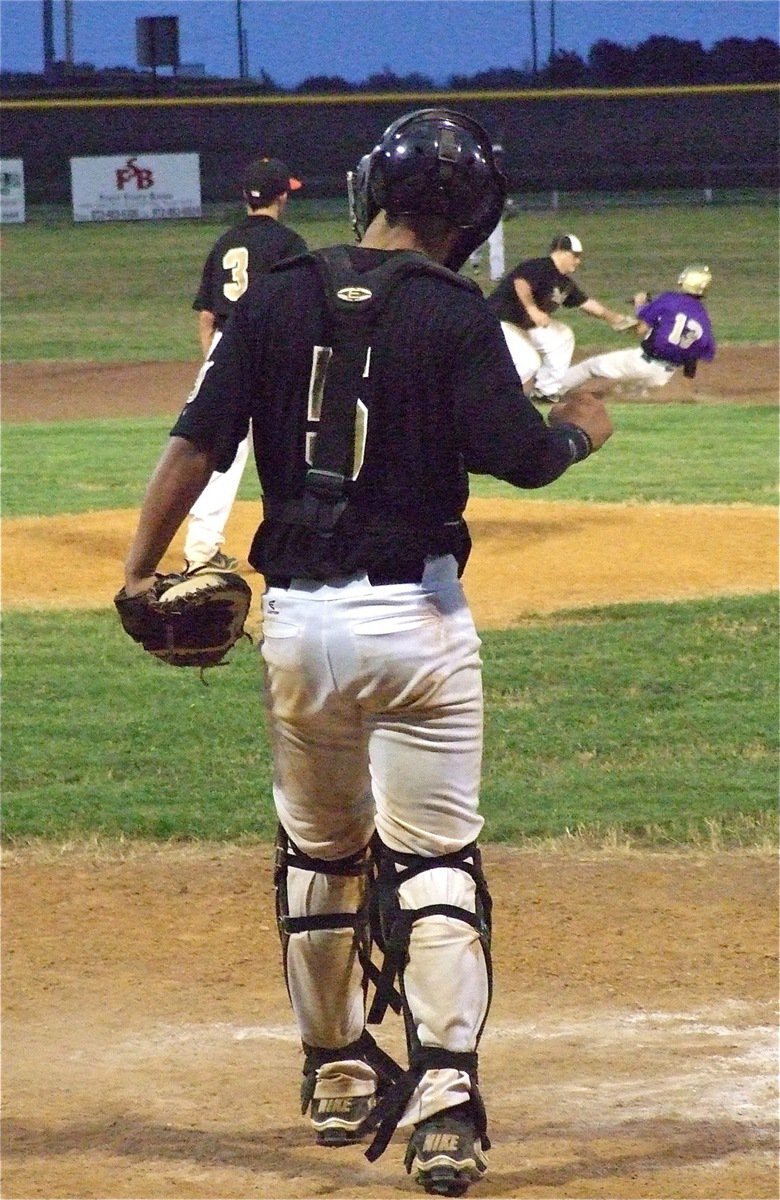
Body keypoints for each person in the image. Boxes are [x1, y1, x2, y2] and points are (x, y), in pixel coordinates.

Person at [121, 108, 613, 1197]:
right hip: (419, 626)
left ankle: (339, 1069)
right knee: (433, 860)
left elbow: (194, 444)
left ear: (367, 192)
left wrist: (136, 571)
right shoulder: (453, 310)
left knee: (320, 852)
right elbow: (520, 457)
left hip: (298, 628)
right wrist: (581, 428)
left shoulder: (279, 295)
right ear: (474, 213)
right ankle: (443, 1106)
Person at [183, 157, 307, 572]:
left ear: (244, 198)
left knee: (219, 452)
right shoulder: (289, 244)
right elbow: (300, 310)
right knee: (292, 444)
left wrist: (216, 362)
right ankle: (300, 539)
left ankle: (200, 550)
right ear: (282, 196)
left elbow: (206, 314)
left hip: (224, 348)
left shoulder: (224, 242)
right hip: (273, 351)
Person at [486, 233, 633, 403]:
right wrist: (532, 309)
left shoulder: (564, 283)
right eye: (575, 255)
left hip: (520, 328)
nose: (578, 261)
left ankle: (545, 391)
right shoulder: (538, 267)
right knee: (529, 362)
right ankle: (495, 398)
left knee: (562, 336)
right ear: (560, 251)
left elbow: (586, 304)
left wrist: (614, 318)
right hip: (497, 324)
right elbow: (521, 283)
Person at [560, 264, 716, 397]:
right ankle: (636, 391)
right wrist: (685, 388)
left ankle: (551, 391)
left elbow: (641, 329)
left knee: (590, 366)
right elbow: (692, 358)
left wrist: (639, 303)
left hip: (641, 363)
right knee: (631, 393)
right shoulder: (704, 320)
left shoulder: (670, 299)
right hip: (664, 377)